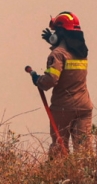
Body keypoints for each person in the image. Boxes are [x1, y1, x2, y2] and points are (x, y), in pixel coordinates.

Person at [30, 11, 93, 157]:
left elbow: (51, 80)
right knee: (84, 152)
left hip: (63, 107)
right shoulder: (82, 53)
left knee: (59, 148)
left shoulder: (57, 54)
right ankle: (86, 179)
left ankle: (59, 178)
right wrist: (55, 43)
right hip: (84, 106)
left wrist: (37, 79)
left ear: (60, 33)